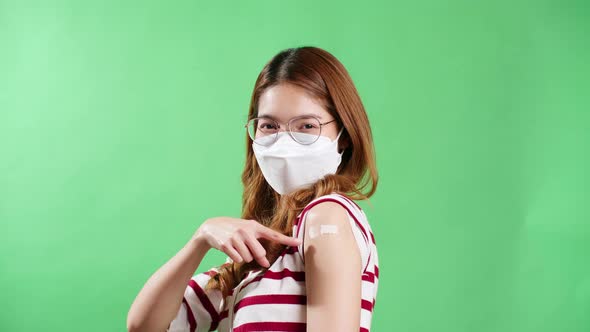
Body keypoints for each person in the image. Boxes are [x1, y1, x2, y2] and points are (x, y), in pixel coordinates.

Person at [127, 46, 379, 332]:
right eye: (269, 125)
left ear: (344, 135)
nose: (284, 142)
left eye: (306, 125)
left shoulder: (326, 216)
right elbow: (144, 326)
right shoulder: (257, 251)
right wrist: (201, 238)